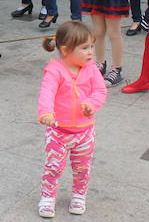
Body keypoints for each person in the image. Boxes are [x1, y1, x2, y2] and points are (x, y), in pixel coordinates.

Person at [37, 21, 106, 218]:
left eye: (92, 46)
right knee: (53, 167)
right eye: (85, 48)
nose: (91, 52)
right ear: (66, 50)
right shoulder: (55, 70)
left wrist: (92, 104)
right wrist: (46, 112)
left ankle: (79, 195)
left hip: (84, 132)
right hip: (58, 132)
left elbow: (100, 90)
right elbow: (47, 93)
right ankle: (48, 197)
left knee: (82, 167)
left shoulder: (91, 69)